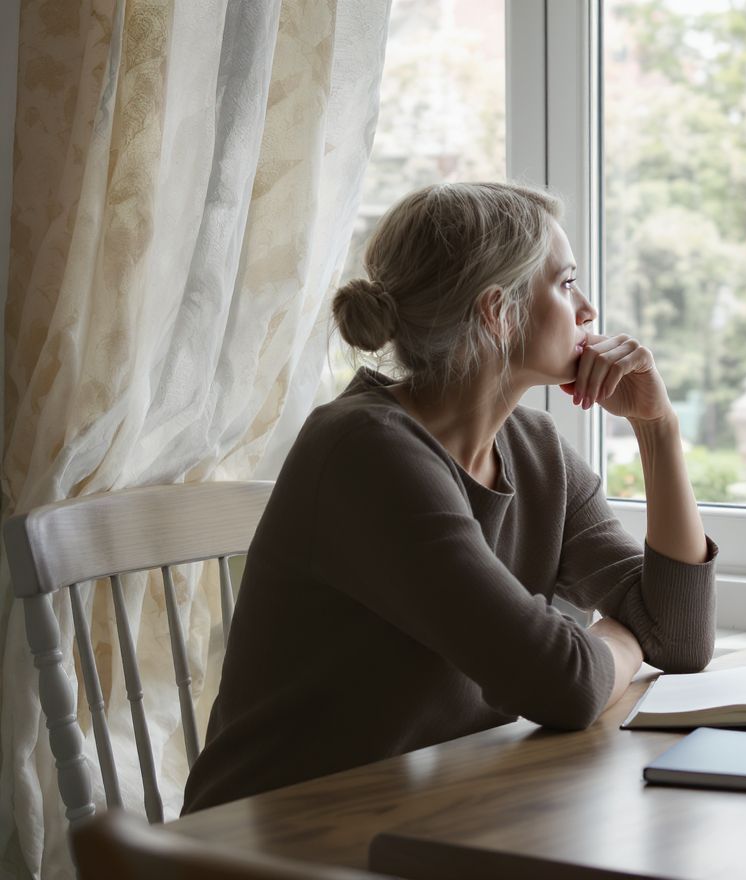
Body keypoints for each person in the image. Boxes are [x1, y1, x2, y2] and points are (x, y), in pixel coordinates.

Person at [182, 182, 717, 813]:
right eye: (566, 283)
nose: (588, 310)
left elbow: (680, 636)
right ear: (499, 312)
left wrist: (658, 429)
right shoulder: (365, 450)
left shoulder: (534, 448)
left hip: (433, 812)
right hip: (274, 839)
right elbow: (567, 686)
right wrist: (622, 636)